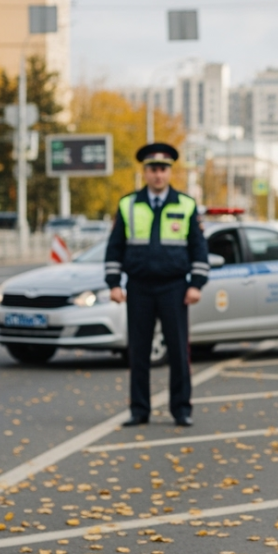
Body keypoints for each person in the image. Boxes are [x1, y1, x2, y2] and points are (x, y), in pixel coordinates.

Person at [104, 143, 209, 427]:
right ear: (145, 172)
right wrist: (114, 283)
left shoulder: (186, 205)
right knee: (138, 352)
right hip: (139, 287)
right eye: (153, 169)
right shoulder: (128, 204)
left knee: (178, 351)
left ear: (169, 172)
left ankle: (181, 409)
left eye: (163, 169)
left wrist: (196, 284)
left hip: (174, 287)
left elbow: (199, 249)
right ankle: (139, 410)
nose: (158, 175)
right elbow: (115, 248)